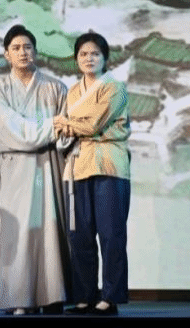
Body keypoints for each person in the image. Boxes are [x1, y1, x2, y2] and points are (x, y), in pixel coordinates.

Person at [0, 24, 70, 315]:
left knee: (48, 230)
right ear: (6, 54)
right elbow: (12, 129)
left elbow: (66, 132)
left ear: (35, 51)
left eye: (27, 47)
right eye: (16, 48)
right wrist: (52, 126)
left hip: (47, 165)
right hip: (15, 170)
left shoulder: (55, 87)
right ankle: (18, 298)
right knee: (17, 234)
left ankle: (52, 295)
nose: (23, 52)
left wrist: (62, 129)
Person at [53, 31, 130, 316]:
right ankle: (84, 296)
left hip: (109, 165)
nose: (89, 58)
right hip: (77, 166)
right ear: (76, 59)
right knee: (79, 236)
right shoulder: (73, 91)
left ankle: (110, 297)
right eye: (83, 54)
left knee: (110, 234)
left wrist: (65, 123)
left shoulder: (114, 88)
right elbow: (71, 129)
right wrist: (69, 125)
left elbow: (94, 124)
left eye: (95, 54)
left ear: (105, 58)